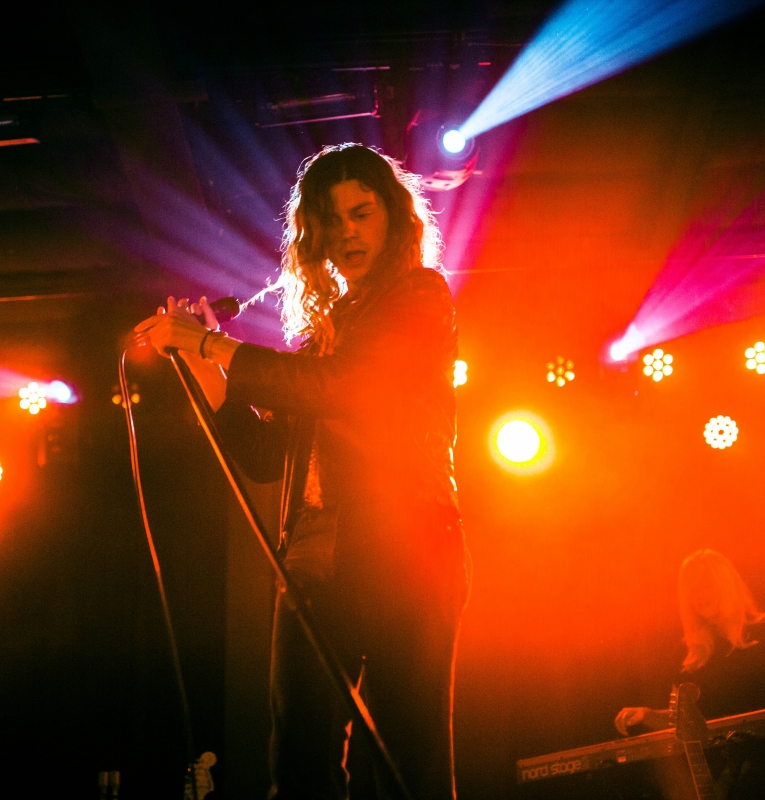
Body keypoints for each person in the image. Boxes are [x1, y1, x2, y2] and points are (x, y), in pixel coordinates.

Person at [135, 143, 469, 800]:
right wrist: (206, 372)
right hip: (316, 564)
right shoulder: (324, 336)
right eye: (329, 220)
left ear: (393, 219)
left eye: (361, 213)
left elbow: (345, 388)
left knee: (408, 762)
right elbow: (267, 457)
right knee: (297, 764)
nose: (346, 232)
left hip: (407, 551)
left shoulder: (418, 298)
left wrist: (215, 344)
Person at [615, 549, 765, 736]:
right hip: (725, 763)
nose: (700, 596)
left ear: (727, 585)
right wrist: (647, 715)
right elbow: (680, 723)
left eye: (706, 585)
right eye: (692, 590)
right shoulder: (688, 652)